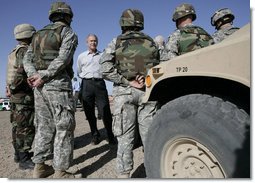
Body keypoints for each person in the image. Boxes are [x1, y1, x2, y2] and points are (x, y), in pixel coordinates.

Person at [99, 9, 159, 178]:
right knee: (149, 136)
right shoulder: (151, 41)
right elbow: (161, 65)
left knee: (125, 137)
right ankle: (153, 171)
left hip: (125, 94)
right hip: (148, 92)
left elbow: (104, 69)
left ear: (123, 23)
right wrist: (145, 80)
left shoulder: (116, 42)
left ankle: (124, 175)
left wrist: (128, 81)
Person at [23, 1, 78, 178]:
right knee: (64, 126)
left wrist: (34, 75)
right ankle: (61, 171)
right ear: (68, 16)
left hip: (39, 88)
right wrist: (44, 75)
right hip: (57, 86)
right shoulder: (67, 32)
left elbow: (27, 59)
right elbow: (63, 59)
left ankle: (39, 167)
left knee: (43, 126)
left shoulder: (38, 35)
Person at [6, 23, 36, 170]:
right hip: (23, 96)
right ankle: (24, 159)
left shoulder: (14, 51)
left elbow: (11, 74)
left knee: (17, 126)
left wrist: (10, 88)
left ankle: (18, 154)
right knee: (25, 127)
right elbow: (20, 73)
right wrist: (14, 87)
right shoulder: (25, 51)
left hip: (16, 96)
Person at [77, 34, 115, 145]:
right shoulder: (81, 56)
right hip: (87, 84)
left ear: (97, 42)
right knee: (89, 112)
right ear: (87, 42)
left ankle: (110, 134)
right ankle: (95, 135)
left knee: (105, 111)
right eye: (91, 41)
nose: (93, 43)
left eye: (95, 41)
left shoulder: (102, 56)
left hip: (100, 84)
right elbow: (79, 71)